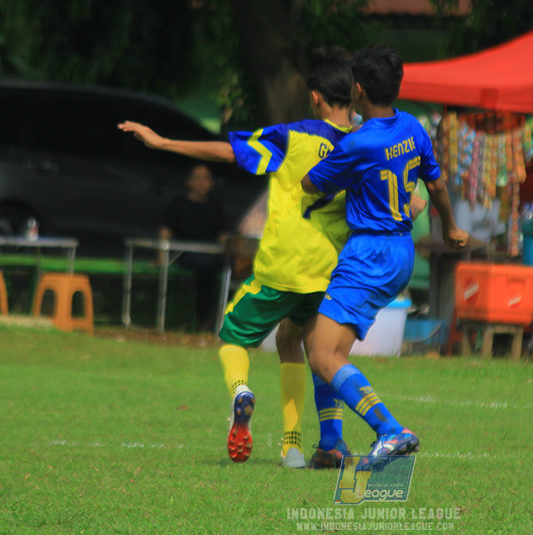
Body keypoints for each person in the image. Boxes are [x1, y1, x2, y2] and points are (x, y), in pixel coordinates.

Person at [119, 47, 355, 470]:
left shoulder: (294, 136)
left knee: (232, 339)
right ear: (352, 96)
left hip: (282, 267)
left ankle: (242, 393)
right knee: (290, 342)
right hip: (327, 274)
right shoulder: (362, 145)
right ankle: (293, 447)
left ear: (315, 96)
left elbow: (228, 152)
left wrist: (163, 141)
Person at [301, 44, 468, 467]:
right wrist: (449, 227)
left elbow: (309, 183)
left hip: (368, 252)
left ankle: (391, 430)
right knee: (320, 347)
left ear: (357, 89)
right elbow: (437, 187)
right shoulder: (411, 127)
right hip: (401, 250)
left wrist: (339, 145)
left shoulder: (359, 144)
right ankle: (331, 445)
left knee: (323, 355)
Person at [160, 163, 228, 333]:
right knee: (206, 269)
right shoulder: (178, 204)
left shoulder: (216, 205)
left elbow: (222, 236)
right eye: (197, 179)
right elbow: (165, 232)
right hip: (185, 253)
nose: (201, 183)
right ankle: (204, 319)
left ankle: (229, 318)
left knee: (234, 269)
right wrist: (161, 255)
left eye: (206, 179)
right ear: (189, 182)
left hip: (212, 254)